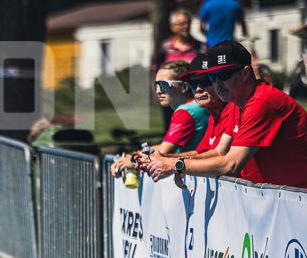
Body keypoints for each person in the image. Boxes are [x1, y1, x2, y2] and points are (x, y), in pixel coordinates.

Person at [142, 41, 307, 189]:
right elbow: (220, 152)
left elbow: (231, 165)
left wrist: (175, 165)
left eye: (224, 75)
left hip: (295, 199)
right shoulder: (237, 102)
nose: (217, 83)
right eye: (212, 77)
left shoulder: (261, 102)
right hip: (275, 196)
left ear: (245, 73)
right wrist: (170, 160)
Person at [111, 60, 209, 176]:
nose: (158, 91)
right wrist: (135, 154)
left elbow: (163, 151)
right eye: (156, 85)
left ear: (184, 87)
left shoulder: (186, 111)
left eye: (164, 84)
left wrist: (133, 160)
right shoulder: (197, 106)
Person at [152, 9, 206, 129]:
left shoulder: (201, 47)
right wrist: (159, 88)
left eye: (188, 23)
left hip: (194, 97)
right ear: (172, 27)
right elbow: (156, 69)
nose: (185, 26)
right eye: (181, 24)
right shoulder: (165, 48)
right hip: (171, 95)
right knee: (171, 128)